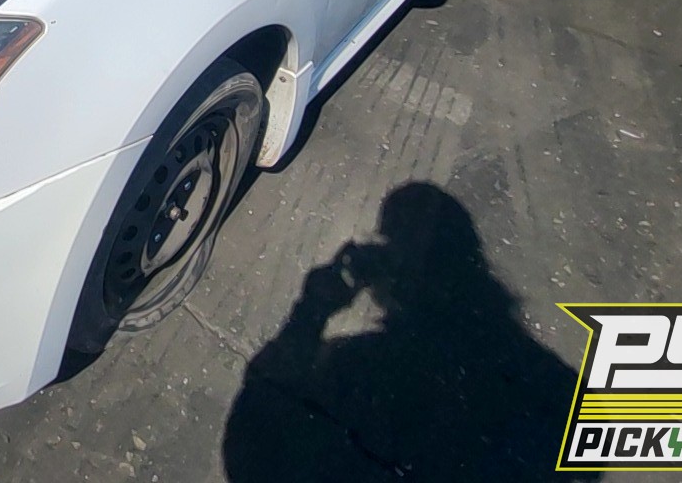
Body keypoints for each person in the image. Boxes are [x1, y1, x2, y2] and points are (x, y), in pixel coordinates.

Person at [223, 181, 594, 481]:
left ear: (388, 278)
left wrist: (310, 313)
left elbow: (253, 442)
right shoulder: (553, 388)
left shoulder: (359, 371)